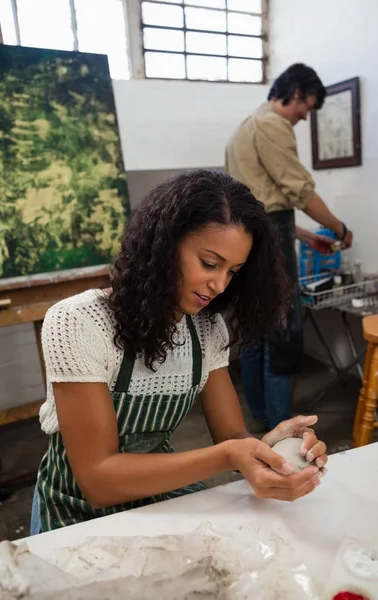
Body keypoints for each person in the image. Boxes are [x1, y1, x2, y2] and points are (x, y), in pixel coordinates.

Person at [31, 170, 327, 534]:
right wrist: (227, 457)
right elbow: (99, 481)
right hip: (74, 514)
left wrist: (276, 449)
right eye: (209, 263)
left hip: (162, 498)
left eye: (233, 271)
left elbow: (231, 437)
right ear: (164, 245)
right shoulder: (79, 322)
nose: (219, 285)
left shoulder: (206, 329)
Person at [225, 63, 353, 432]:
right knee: (281, 338)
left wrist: (305, 236)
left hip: (252, 241)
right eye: (307, 106)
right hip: (272, 250)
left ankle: (261, 419)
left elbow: (260, 206)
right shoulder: (272, 125)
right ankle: (282, 431)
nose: (305, 116)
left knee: (255, 336)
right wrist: (338, 227)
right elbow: (299, 190)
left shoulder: (245, 127)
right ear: (295, 93)